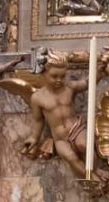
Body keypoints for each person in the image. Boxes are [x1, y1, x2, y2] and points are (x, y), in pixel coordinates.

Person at [21, 51, 100, 180]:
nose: (59, 80)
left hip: (76, 129)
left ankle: (96, 170)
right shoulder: (37, 98)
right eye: (54, 76)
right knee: (70, 157)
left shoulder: (69, 87)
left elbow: (86, 83)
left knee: (85, 145)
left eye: (62, 76)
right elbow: (38, 120)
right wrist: (34, 137)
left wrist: (99, 73)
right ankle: (92, 179)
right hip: (60, 138)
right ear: (44, 73)